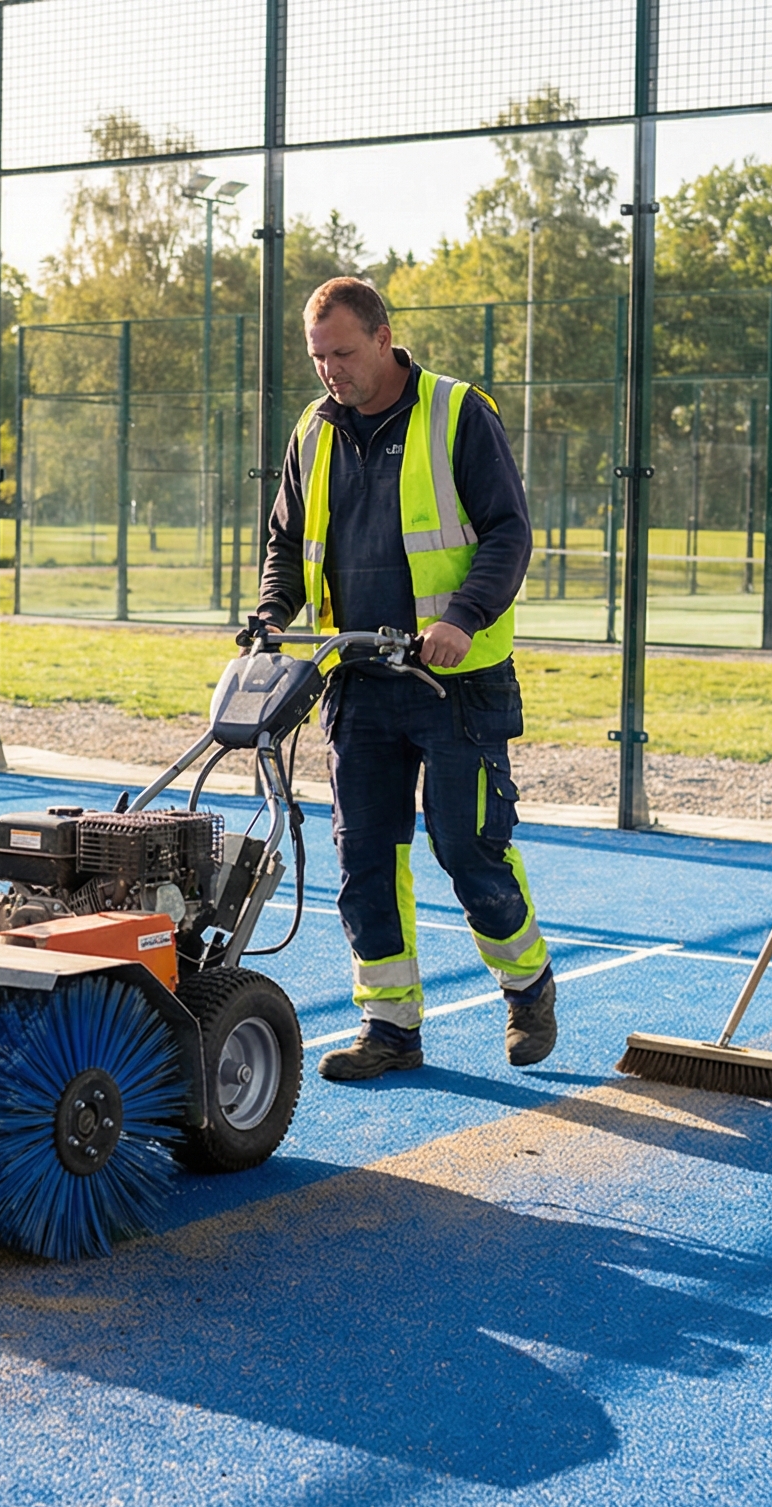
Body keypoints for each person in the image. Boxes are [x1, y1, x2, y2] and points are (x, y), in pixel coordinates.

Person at [250, 276, 556, 1081]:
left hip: (455, 682)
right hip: (356, 682)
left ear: (385, 338)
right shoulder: (313, 432)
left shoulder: (458, 414)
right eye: (318, 358)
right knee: (365, 860)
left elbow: (508, 533)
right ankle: (389, 1027)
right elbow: (286, 542)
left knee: (467, 846)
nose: (330, 372)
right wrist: (273, 611)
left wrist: (462, 617)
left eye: (343, 353)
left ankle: (526, 984)